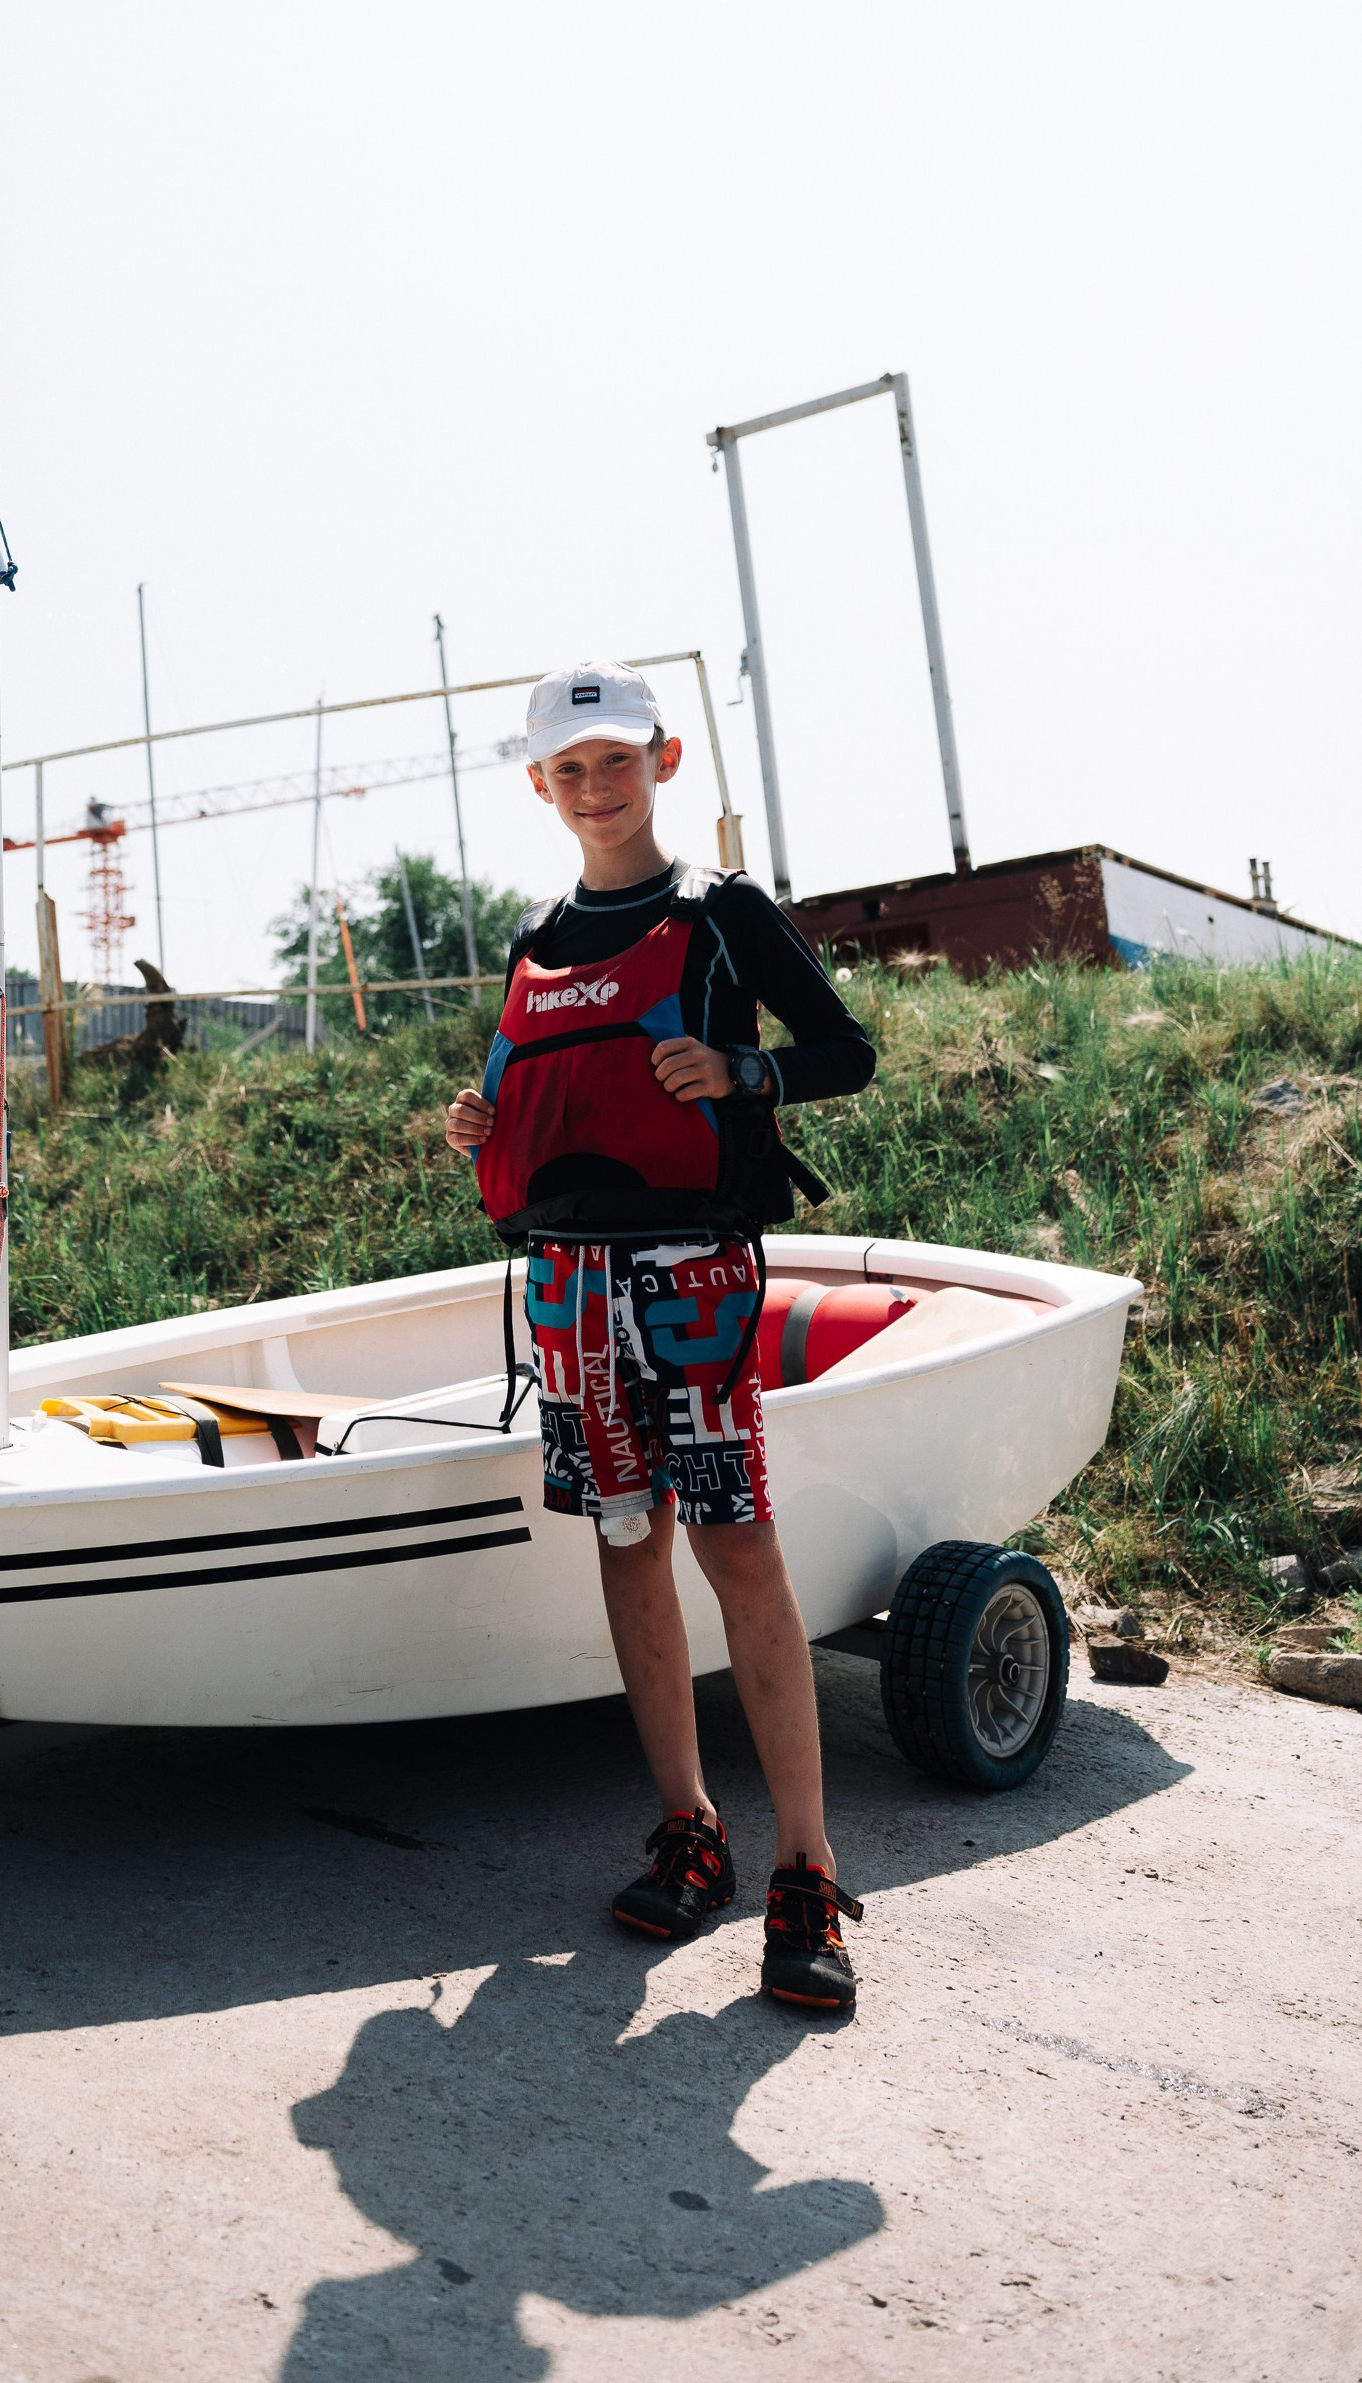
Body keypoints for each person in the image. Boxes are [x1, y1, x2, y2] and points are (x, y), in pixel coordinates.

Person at [444, 661, 877, 2011]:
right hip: (566, 1286)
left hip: (693, 1275)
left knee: (736, 1547)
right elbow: (540, 1108)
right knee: (627, 1547)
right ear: (539, 787)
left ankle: (804, 1873)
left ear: (665, 761)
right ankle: (691, 1828)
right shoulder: (533, 934)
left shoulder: (724, 912)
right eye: (569, 770)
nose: (595, 787)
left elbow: (846, 1052)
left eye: (616, 761)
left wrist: (745, 1070)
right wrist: (476, 1127)